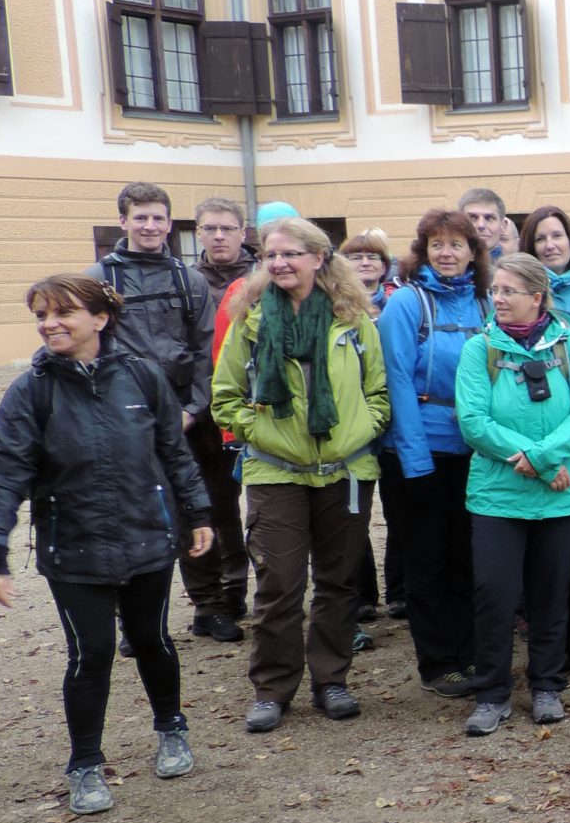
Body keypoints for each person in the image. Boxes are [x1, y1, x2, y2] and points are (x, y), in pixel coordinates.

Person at [0, 274, 215, 814]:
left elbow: (174, 453)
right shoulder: (31, 391)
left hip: (146, 537)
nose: (49, 323)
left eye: (62, 312)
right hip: (74, 546)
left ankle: (171, 728)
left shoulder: (142, 377)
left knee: (152, 639)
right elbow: (5, 472)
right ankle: (85, 764)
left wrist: (198, 510)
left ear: (100, 319)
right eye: (41, 314)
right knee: (92, 654)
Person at [213, 217, 389, 733]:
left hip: (347, 470)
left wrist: (362, 427)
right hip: (275, 472)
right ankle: (273, 688)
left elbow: (378, 392)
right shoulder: (250, 320)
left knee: (338, 583)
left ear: (318, 259)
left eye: (291, 254)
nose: (280, 263)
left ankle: (332, 679)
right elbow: (224, 398)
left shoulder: (353, 318)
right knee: (280, 585)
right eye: (271, 255)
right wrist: (261, 432)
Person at [453, 254, 570, 734]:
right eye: (495, 290)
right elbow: (474, 422)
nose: (497, 298)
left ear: (537, 297)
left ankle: (547, 685)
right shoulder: (481, 350)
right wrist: (540, 463)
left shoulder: (568, 347)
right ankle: (493, 694)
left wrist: (542, 459)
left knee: (550, 593)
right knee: (494, 594)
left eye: (509, 291)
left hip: (561, 493)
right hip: (500, 494)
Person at [375, 209, 492, 699]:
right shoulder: (406, 305)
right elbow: (397, 379)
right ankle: (438, 662)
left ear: (473, 252)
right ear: (423, 252)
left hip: (475, 451)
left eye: (456, 244)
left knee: (468, 558)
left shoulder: (486, 303)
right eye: (436, 245)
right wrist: (416, 457)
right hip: (418, 450)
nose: (447, 253)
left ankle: (471, 654)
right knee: (427, 561)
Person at [85, 182, 214, 449]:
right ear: (123, 221)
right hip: (121, 409)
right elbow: (85, 349)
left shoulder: (191, 281)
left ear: (169, 224)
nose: (150, 226)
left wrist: (192, 410)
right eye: (140, 218)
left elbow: (206, 349)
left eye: (158, 218)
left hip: (185, 412)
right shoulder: (98, 280)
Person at [185, 196, 255, 641]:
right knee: (206, 506)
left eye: (227, 228)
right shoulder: (186, 281)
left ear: (242, 232)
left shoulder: (264, 276)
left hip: (252, 409)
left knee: (255, 509)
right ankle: (213, 599)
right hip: (199, 413)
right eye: (209, 229)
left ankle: (243, 588)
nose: (218, 236)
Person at [340, 227, 398, 648]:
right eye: (356, 256)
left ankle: (400, 590)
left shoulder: (399, 302)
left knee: (397, 512)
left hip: (389, 419)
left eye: (372, 257)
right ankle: (360, 596)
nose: (365, 263)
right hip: (349, 425)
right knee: (351, 515)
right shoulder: (337, 305)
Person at [520, 206, 570, 314]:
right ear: (531, 247)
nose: (550, 245)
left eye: (557, 236)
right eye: (540, 239)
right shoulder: (520, 293)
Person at [458, 187, 507, 255]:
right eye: (472, 218)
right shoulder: (441, 264)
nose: (481, 225)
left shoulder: (518, 265)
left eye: (489, 218)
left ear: (503, 226)